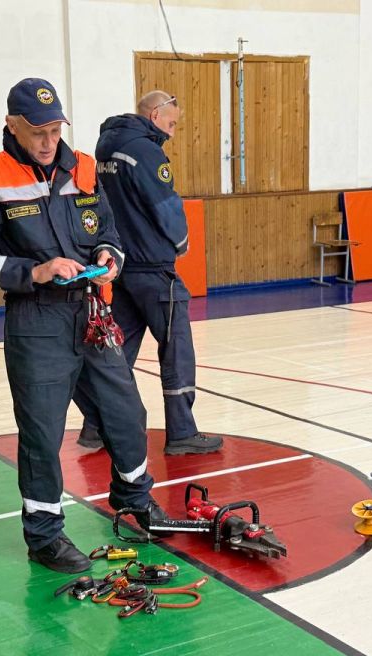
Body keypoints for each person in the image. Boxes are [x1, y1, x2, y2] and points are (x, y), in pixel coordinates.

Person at [0, 78, 171, 574]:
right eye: (38, 132)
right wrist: (32, 272)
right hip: (37, 321)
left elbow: (110, 232)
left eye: (55, 129)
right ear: (11, 126)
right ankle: (45, 536)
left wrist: (108, 256)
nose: (50, 141)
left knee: (126, 411)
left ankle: (134, 499)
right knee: (42, 433)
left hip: (92, 312)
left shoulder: (86, 169)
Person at [75, 91, 223, 456]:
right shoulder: (145, 150)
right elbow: (164, 202)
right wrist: (181, 240)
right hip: (154, 268)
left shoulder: (106, 146)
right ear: (155, 114)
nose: (172, 133)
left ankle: (96, 426)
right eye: (171, 123)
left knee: (118, 351)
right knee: (177, 350)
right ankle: (183, 433)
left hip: (122, 268)